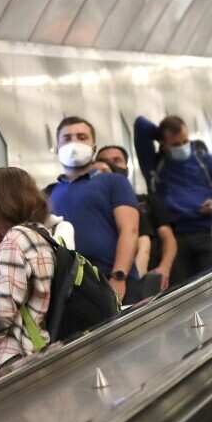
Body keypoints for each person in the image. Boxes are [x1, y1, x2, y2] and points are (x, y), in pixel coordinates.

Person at [0, 168, 56, 383]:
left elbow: (1, 316)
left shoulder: (15, 239)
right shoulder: (41, 235)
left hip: (15, 361)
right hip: (38, 352)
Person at [46, 116, 140, 304]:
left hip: (112, 279)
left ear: (94, 148)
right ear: (56, 147)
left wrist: (119, 277)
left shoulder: (113, 182)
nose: (74, 143)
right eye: (67, 138)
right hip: (70, 288)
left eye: (82, 137)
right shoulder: (49, 193)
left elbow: (129, 230)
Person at [134, 115, 212, 284]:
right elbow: (140, 125)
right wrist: (161, 133)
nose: (182, 147)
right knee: (182, 289)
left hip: (207, 232)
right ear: (163, 145)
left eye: (185, 141)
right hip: (174, 238)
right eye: (175, 144)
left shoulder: (203, 160)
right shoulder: (155, 164)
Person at [96, 146, 177, 291]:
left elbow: (166, 238)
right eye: (104, 162)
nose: (111, 166)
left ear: (127, 166)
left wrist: (164, 268)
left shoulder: (145, 201)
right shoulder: (95, 209)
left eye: (117, 160)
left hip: (145, 278)